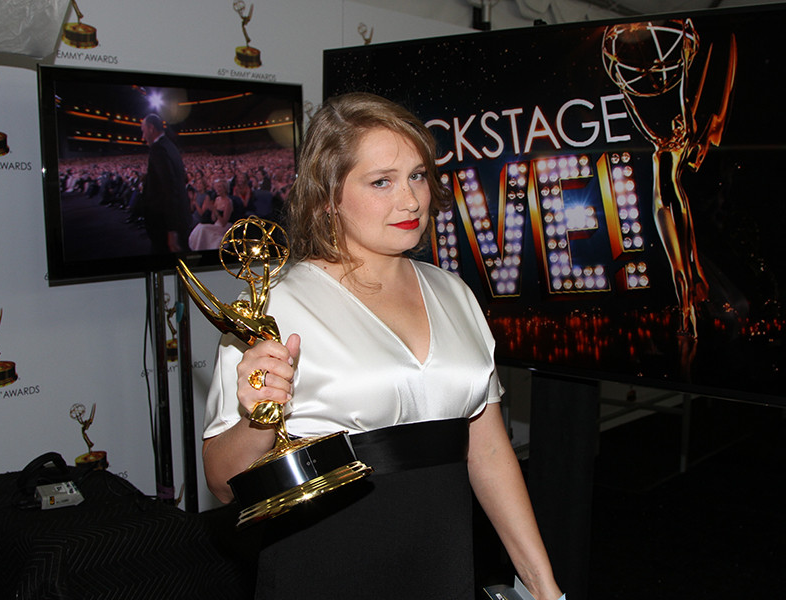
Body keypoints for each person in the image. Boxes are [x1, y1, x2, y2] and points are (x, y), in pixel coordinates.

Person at [202, 92, 564, 600]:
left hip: (442, 558)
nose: (412, 200)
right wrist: (258, 418)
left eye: (417, 175)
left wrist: (540, 580)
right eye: (382, 182)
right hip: (323, 566)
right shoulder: (277, 307)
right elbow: (222, 484)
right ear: (328, 194)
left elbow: (487, 450)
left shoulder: (453, 293)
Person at [139, 113, 191, 253]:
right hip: (178, 218)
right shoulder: (170, 146)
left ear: (151, 128)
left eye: (143, 131)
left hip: (164, 224)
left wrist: (171, 230)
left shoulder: (158, 149)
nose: (142, 137)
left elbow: (170, 189)